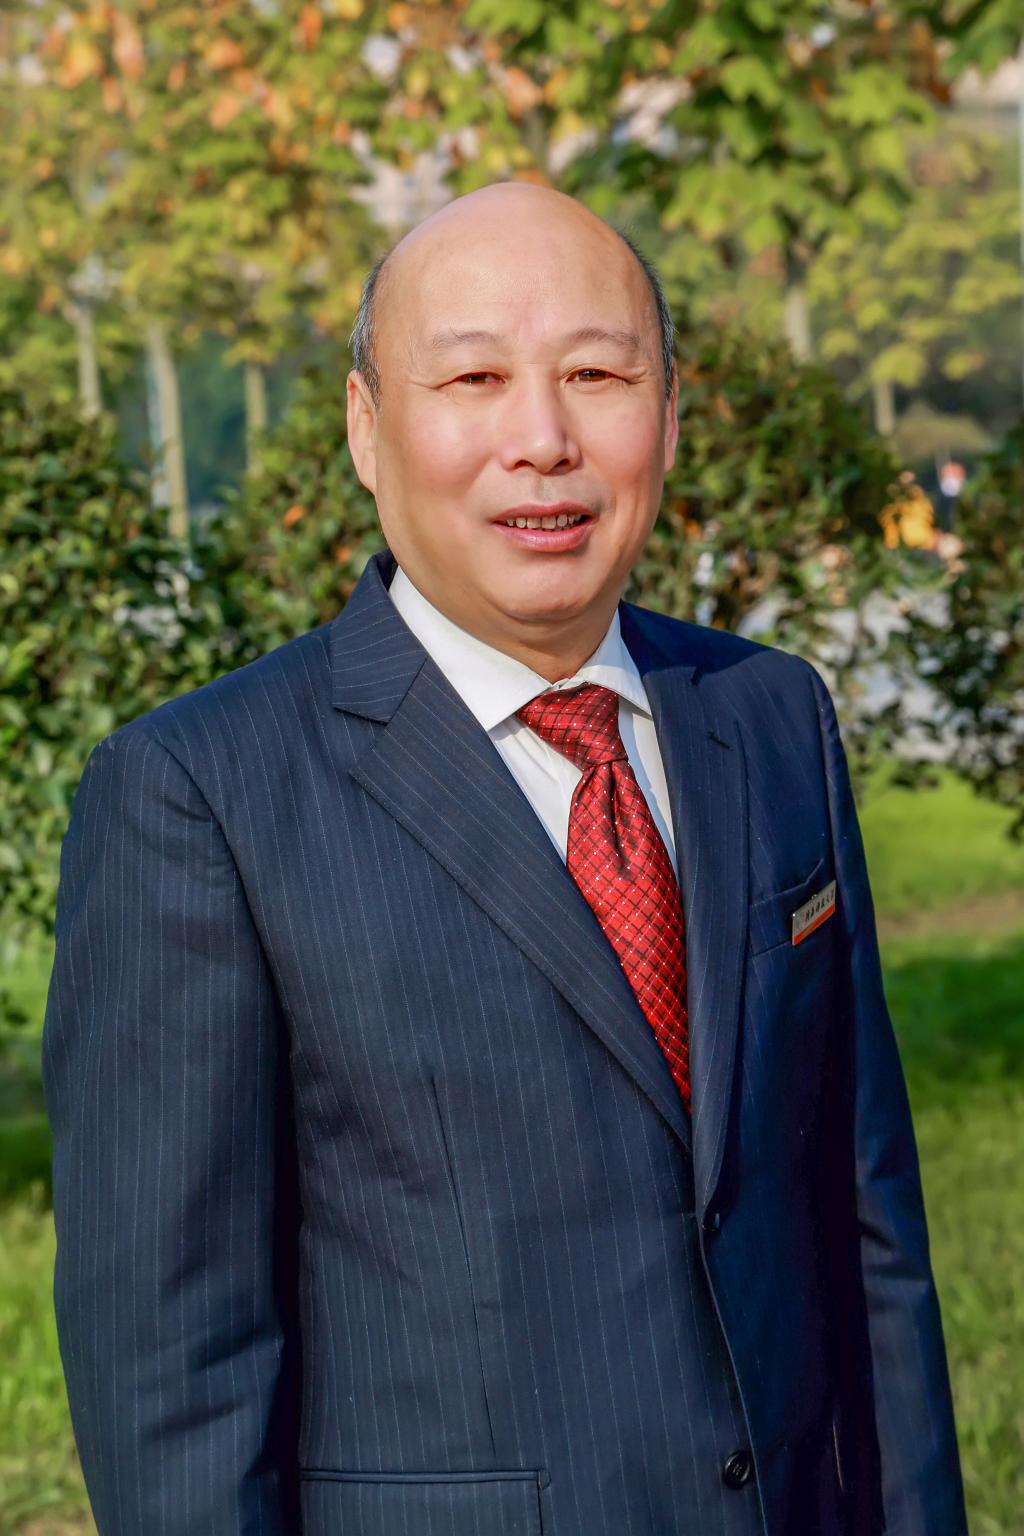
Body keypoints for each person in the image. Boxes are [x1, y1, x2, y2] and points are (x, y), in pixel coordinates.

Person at [43, 182, 966, 1536]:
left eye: (597, 374)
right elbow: (174, 1372)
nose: (543, 440)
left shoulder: (769, 717)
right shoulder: (198, 796)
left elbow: (864, 1219)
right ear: (367, 427)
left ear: (668, 412)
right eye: (473, 377)